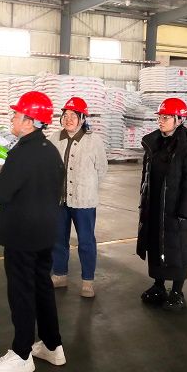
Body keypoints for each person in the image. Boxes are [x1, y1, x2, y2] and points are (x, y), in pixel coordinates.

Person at [0, 91, 66, 372]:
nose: (12, 118)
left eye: (16, 114)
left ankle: (22, 354)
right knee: (42, 288)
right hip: (44, 233)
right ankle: (52, 346)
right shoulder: (50, 150)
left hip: (21, 234)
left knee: (21, 292)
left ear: (30, 121)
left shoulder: (23, 153)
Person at [137, 97, 187, 312]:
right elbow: (146, 175)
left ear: (179, 120)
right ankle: (158, 286)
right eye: (160, 117)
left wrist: (185, 211)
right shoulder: (154, 143)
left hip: (176, 208)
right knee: (156, 245)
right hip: (155, 205)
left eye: (166, 117)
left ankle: (177, 292)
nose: (161, 121)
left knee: (177, 249)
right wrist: (144, 199)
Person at [50, 97, 107, 298]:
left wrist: (87, 186)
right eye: (65, 115)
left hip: (84, 202)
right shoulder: (55, 138)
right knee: (58, 239)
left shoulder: (93, 141)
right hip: (59, 200)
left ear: (82, 118)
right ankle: (60, 275)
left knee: (86, 241)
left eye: (73, 115)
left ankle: (88, 281)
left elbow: (102, 169)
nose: (68, 119)